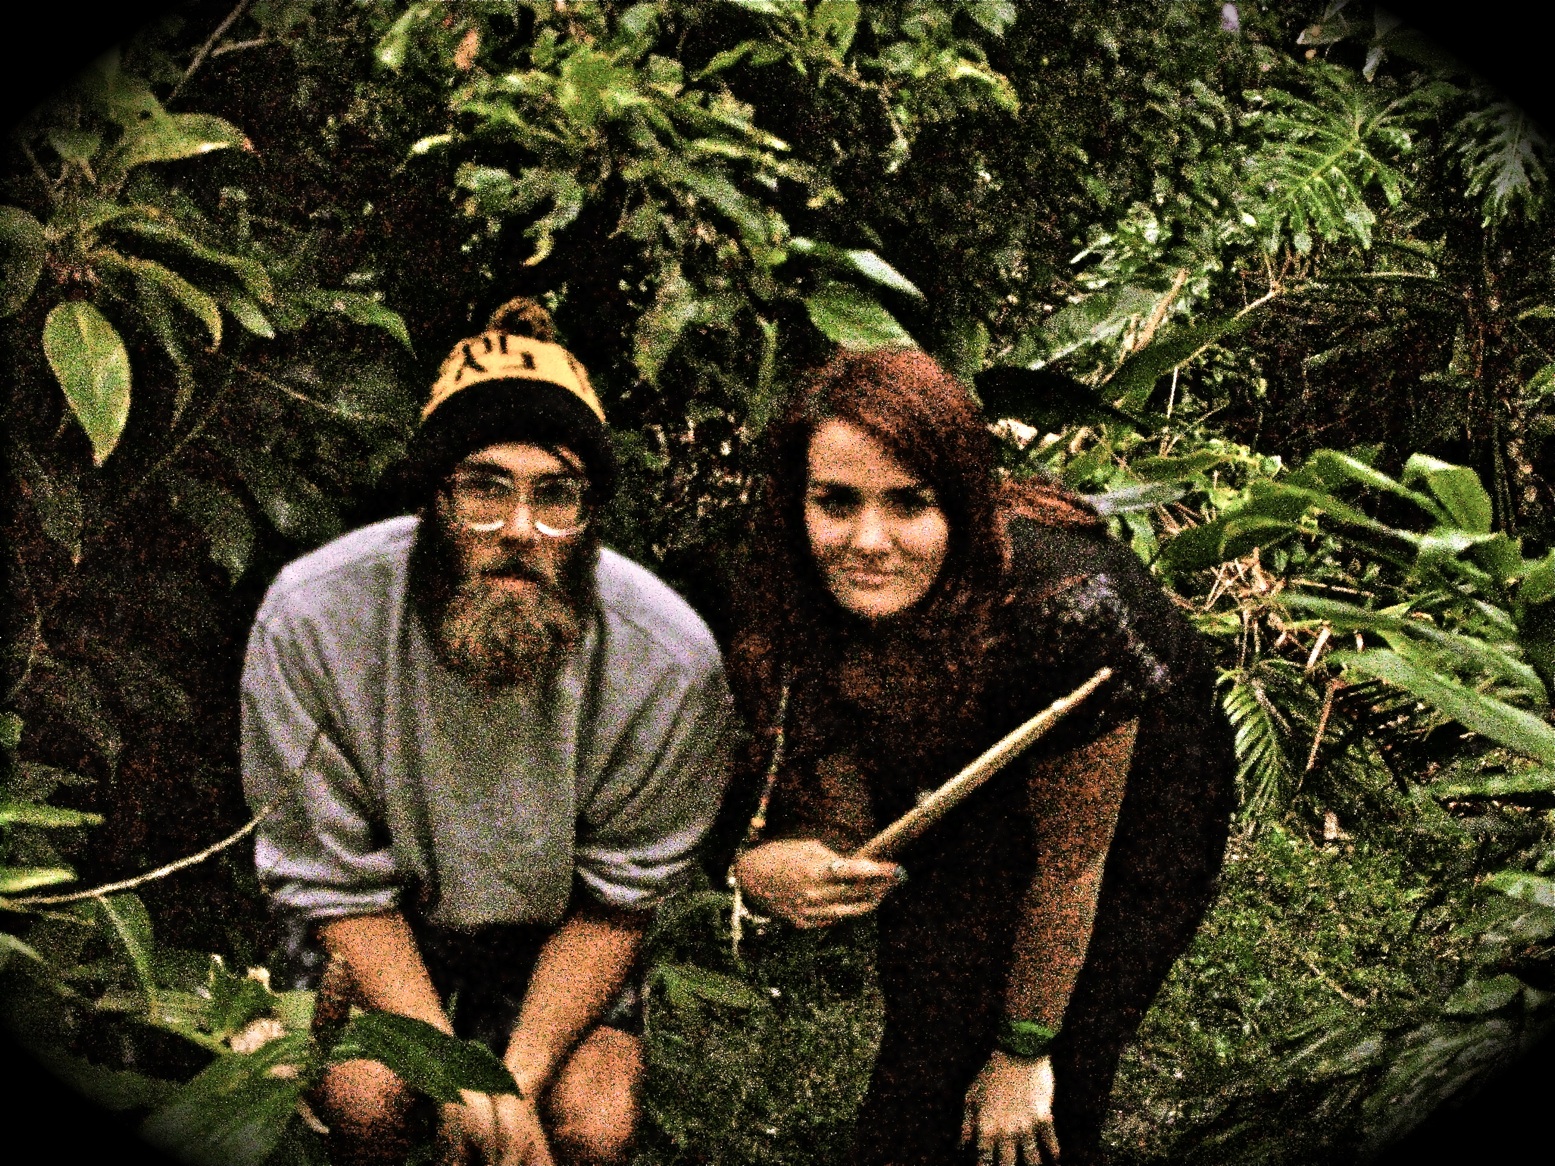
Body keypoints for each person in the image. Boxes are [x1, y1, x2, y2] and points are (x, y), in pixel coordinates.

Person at [241, 299, 735, 1166]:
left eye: (556, 495)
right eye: (484, 488)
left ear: (589, 514)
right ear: (433, 497)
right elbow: (334, 884)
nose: (517, 529)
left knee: (592, 1125)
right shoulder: (313, 617)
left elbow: (619, 900)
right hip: (378, 911)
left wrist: (513, 1087)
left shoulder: (670, 658)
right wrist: (454, 1079)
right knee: (366, 1099)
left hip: (556, 927)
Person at [720, 347, 1235, 1166]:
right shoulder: (795, 575)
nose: (868, 541)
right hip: (959, 760)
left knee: (1037, 1099)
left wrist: (1024, 1051)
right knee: (928, 1042)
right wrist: (770, 866)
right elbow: (835, 771)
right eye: (836, 501)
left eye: (908, 503)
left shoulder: (1065, 610)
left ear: (959, 503)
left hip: (1131, 819)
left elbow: (1073, 863)